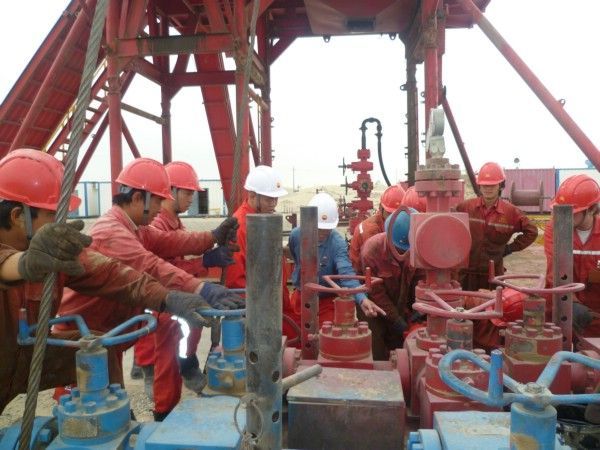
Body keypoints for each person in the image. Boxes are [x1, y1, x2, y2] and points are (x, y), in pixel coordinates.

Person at [0, 149, 222, 413]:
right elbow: (6, 264)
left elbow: (111, 273)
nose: (62, 223)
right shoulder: (101, 234)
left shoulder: (57, 250)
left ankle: (114, 419)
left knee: (97, 350)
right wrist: (24, 264)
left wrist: (167, 298)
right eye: (53, 216)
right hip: (11, 357)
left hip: (24, 355)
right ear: (18, 216)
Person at [57, 157, 243, 421]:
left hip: (104, 335)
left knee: (113, 413)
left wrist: (212, 236)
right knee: (87, 418)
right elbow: (150, 266)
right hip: (84, 338)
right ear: (137, 198)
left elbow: (170, 241)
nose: (160, 208)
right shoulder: (111, 232)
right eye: (157, 201)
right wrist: (201, 288)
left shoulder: (133, 227)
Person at [133, 161, 234, 401]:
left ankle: (183, 366)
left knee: (183, 336)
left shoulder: (175, 223)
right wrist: (205, 261)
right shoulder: (157, 225)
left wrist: (210, 249)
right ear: (171, 191)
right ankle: (158, 382)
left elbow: (180, 255)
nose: (191, 199)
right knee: (167, 353)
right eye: (187, 193)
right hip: (162, 305)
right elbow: (163, 272)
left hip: (171, 301)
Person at [287, 193, 384, 331]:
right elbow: (295, 257)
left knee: (329, 334)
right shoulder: (296, 235)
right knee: (294, 332)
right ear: (309, 223)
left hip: (327, 300)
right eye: (320, 228)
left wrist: (362, 298)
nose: (324, 232)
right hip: (301, 297)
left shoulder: (337, 243)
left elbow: (346, 273)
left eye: (327, 229)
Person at [224, 165, 298, 339]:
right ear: (252, 195)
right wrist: (260, 309)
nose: (273, 204)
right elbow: (235, 280)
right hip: (259, 309)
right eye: (268, 199)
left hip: (274, 302)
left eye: (275, 199)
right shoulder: (240, 227)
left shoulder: (264, 219)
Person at [456, 162, 537, 291]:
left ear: (500, 185)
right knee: (464, 303)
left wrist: (510, 248)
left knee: (494, 303)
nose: (488, 189)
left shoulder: (511, 212)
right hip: (466, 274)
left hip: (493, 276)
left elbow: (532, 231)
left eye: (492, 185)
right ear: (479, 186)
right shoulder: (465, 207)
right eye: (485, 185)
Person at [544, 174, 600, 337]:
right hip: (562, 312)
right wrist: (572, 302)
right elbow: (555, 269)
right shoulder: (555, 228)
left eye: (572, 212)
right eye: (561, 211)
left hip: (595, 318)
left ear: (591, 209)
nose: (563, 216)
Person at [360, 208, 417, 359]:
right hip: (374, 307)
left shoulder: (419, 250)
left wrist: (418, 312)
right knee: (376, 347)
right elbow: (376, 293)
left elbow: (419, 281)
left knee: (401, 344)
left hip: (402, 305)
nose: (403, 254)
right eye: (398, 249)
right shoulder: (371, 251)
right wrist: (396, 319)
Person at [349, 184, 405, 272]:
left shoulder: (397, 224)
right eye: (390, 213)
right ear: (380, 208)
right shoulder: (370, 231)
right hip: (364, 273)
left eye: (398, 214)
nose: (394, 218)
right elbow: (378, 264)